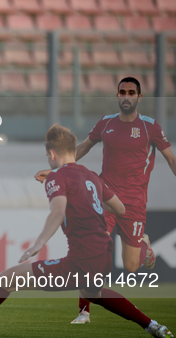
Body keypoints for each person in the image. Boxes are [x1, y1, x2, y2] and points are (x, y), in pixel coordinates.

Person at [0, 124, 173, 338]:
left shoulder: (57, 176)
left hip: (81, 258)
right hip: (103, 254)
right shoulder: (91, 176)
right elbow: (119, 208)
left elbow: (57, 212)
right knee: (93, 293)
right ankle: (152, 325)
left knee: (7, 279)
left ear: (51, 154)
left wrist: (38, 243)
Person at [35, 77, 176, 324]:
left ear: (139, 97)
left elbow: (171, 159)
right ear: (117, 95)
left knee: (131, 266)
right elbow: (83, 148)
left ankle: (145, 244)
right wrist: (59, 168)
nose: (126, 96)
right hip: (103, 197)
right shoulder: (106, 123)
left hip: (134, 204)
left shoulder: (150, 127)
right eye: (122, 92)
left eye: (131, 92)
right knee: (90, 250)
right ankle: (84, 312)